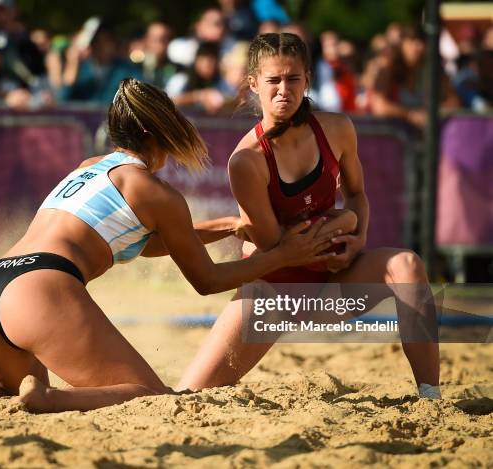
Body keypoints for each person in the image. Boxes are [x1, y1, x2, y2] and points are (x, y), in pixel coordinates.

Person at [0, 78, 339, 413]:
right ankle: (51, 402)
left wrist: (225, 226)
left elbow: (138, 243)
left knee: (17, 381)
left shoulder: (90, 165)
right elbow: (206, 280)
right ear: (157, 132)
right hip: (38, 288)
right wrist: (285, 255)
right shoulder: (156, 192)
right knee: (148, 396)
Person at [177, 33, 441, 400]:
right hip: (274, 293)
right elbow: (281, 246)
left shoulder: (337, 128)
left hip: (331, 282)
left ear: (307, 80)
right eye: (273, 80)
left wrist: (358, 236)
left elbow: (357, 195)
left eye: (292, 78)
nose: (283, 89)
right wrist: (343, 224)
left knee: (408, 265)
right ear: (253, 84)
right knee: (189, 393)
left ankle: (431, 397)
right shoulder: (247, 159)